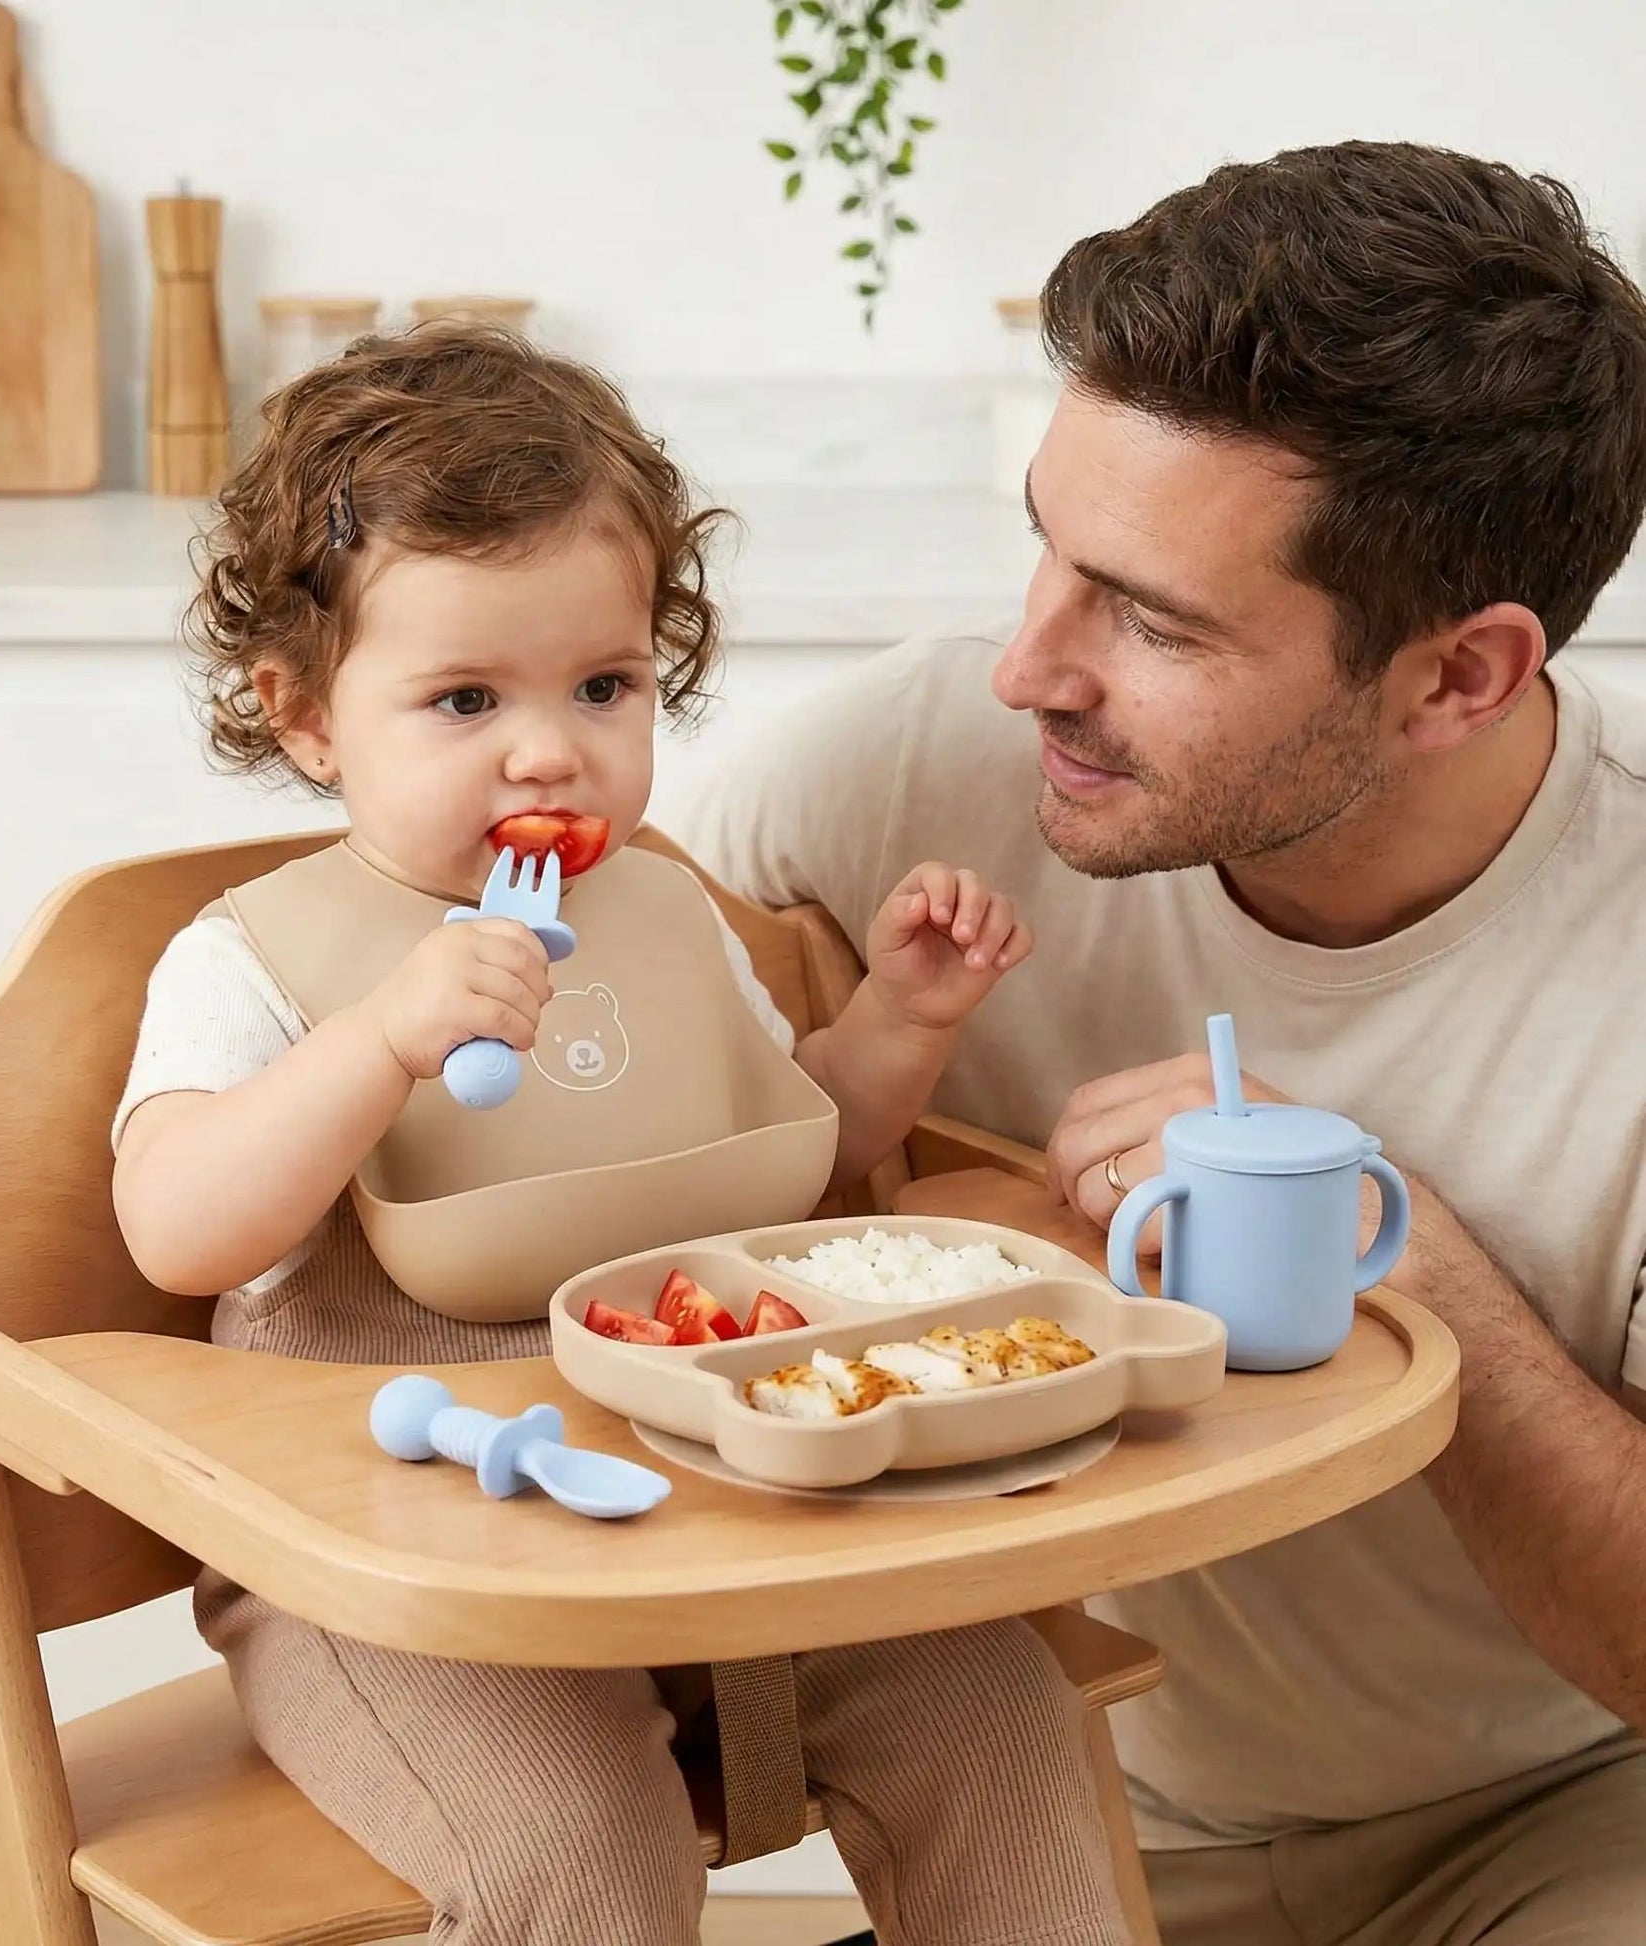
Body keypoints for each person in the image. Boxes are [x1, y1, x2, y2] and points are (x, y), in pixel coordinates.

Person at [690, 141, 1646, 1945]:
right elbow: (577, 1075)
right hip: (1051, 1810)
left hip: (1565, 1817)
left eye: (1148, 617)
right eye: (1046, 548)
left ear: (1457, 675)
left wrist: (1414, 1274)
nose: (1024, 665)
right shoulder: (903, 771)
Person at [109, 321, 1133, 1946]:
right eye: (462, 698)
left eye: (603, 684)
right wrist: (380, 1043)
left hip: (714, 1499)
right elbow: (178, 1228)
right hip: (393, 1577)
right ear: (304, 717)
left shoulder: (662, 908)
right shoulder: (254, 956)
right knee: (577, 1846)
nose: (551, 748)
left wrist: (900, 1024)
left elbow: (793, 1138)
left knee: (998, 1714)